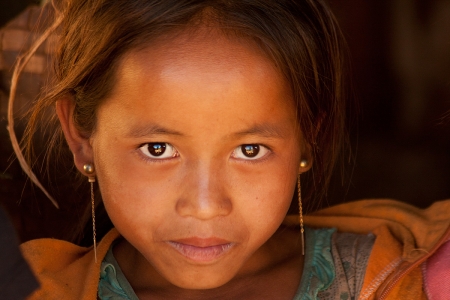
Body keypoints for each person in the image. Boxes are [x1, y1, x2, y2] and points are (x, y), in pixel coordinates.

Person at [9, 0, 450, 299]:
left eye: (251, 150)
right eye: (158, 148)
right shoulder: (35, 289)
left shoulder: (411, 278)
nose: (205, 207)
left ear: (307, 137)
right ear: (80, 138)